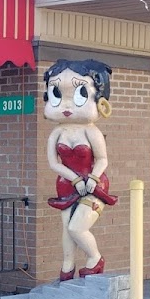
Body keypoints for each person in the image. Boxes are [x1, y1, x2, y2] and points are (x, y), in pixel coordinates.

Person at [43, 59, 118, 281]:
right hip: (66, 184)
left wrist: (92, 177)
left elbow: (103, 159)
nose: (67, 106)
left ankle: (95, 259)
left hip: (94, 184)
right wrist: (74, 179)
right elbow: (53, 163)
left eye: (79, 95)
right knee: (66, 229)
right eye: (57, 94)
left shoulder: (91, 131)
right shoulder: (56, 133)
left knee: (77, 227)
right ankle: (67, 266)